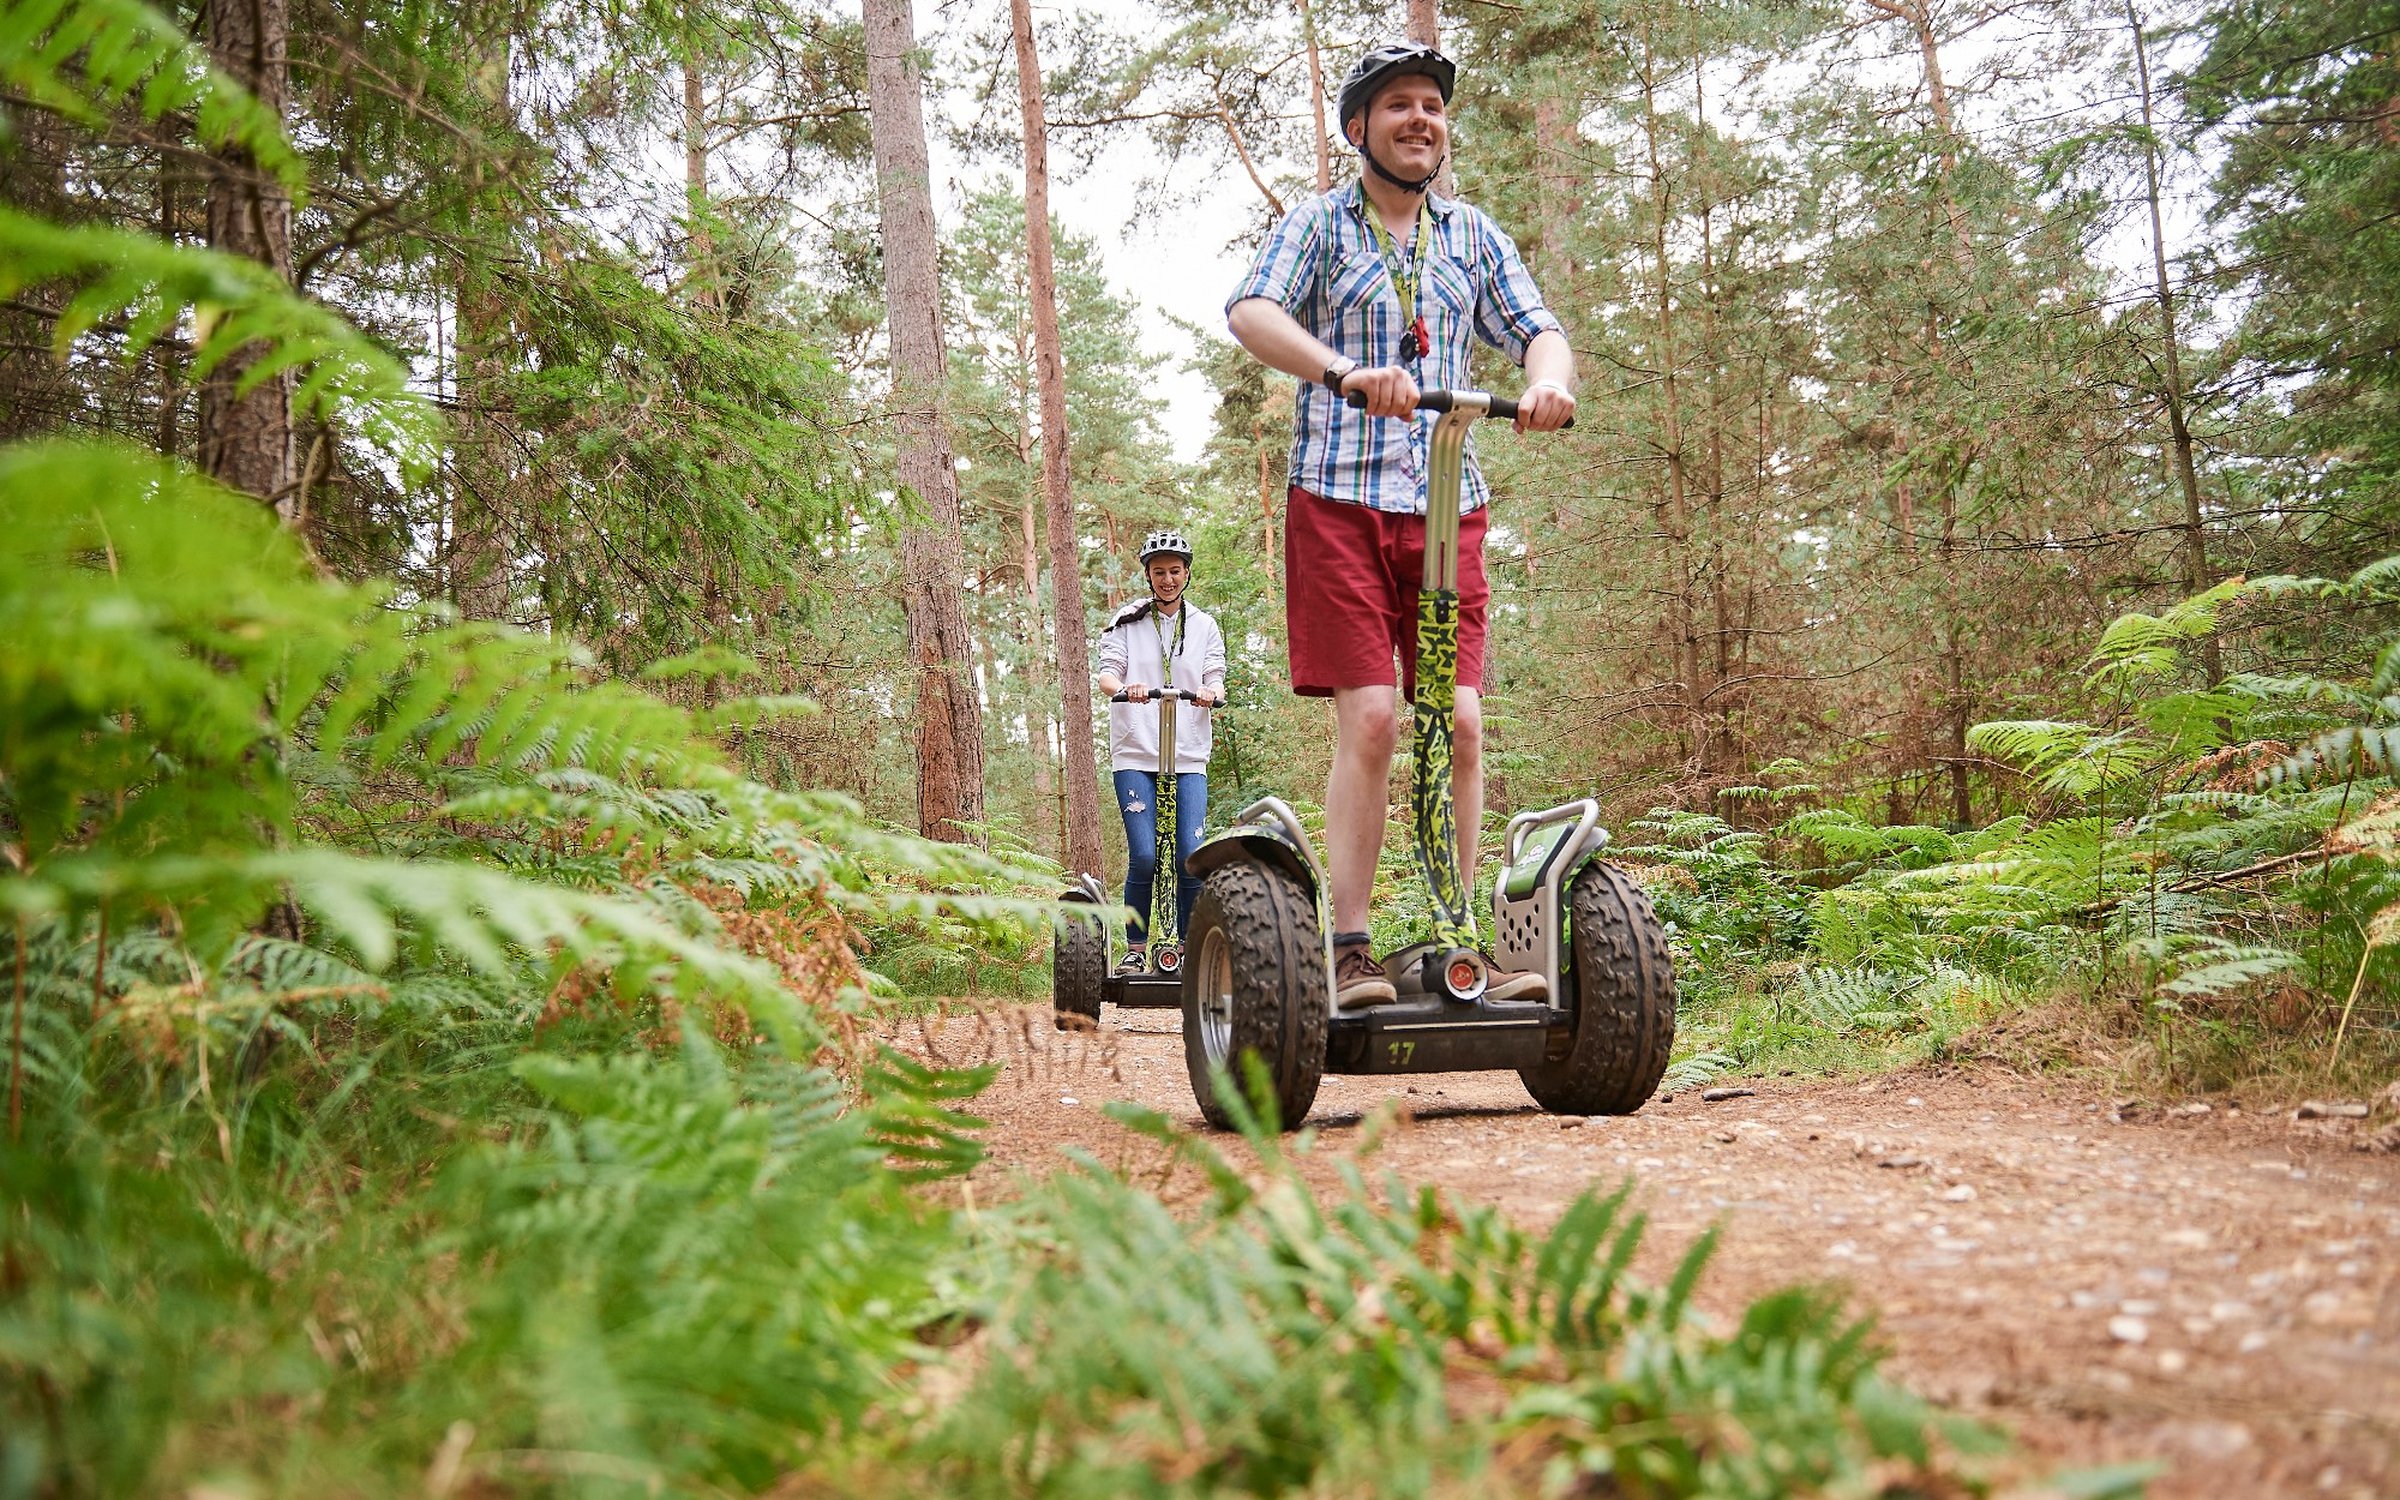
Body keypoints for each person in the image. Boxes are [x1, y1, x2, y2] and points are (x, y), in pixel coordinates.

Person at [1224, 41, 1577, 1008]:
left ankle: (1449, 939)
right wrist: (1340, 373)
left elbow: (1536, 325)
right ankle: (1346, 946)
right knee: (1374, 719)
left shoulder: (1470, 235)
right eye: (1398, 107)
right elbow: (1251, 311)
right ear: (1358, 130)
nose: (1421, 120)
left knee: (1457, 721)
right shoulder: (1321, 226)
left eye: (1432, 106)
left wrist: (1546, 382)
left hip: (1446, 504)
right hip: (1338, 500)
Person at [1094, 529, 1226, 975]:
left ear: (1186, 573)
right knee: (1146, 855)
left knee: (1191, 854)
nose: (1167, 579)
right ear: (1147, 576)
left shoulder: (1205, 624)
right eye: (1158, 572)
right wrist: (1126, 688)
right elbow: (1106, 676)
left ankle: (1188, 955)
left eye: (1174, 571)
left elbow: (1215, 673)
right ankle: (1135, 948)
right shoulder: (1126, 621)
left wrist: (1210, 691)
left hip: (1187, 752)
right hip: (1136, 750)